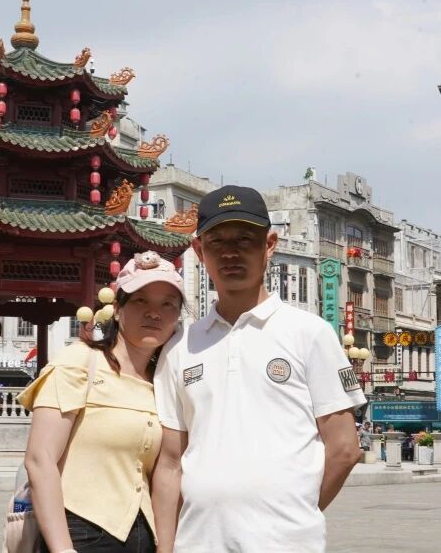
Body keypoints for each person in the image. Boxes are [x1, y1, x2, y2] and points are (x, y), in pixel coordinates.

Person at [152, 185, 366, 553]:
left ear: (269, 245)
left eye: (244, 240)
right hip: (197, 543)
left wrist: (295, 517)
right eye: (216, 242)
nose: (230, 252)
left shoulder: (309, 333)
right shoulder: (181, 347)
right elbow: (171, 462)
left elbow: (345, 448)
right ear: (199, 251)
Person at [17, 251, 185, 553]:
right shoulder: (79, 362)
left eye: (168, 304)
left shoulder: (163, 381)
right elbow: (40, 459)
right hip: (80, 534)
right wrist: (63, 549)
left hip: (143, 537)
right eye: (141, 300)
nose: (154, 313)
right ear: (117, 310)